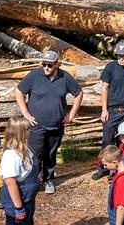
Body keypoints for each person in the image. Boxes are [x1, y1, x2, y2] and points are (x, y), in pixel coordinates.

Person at [14, 51, 83, 194]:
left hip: (56, 124)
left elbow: (78, 93)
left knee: (51, 154)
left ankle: (48, 179)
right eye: (44, 64)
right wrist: (25, 113)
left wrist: (71, 113)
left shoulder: (65, 77)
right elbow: (19, 91)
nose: (46, 67)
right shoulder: (34, 76)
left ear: (57, 64)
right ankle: (32, 181)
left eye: (49, 65)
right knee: (34, 155)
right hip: (36, 124)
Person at [0, 116, 43, 225]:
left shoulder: (25, 149)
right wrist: (18, 208)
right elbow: (10, 183)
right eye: (27, 130)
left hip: (28, 199)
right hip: (17, 202)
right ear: (19, 133)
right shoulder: (11, 156)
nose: (30, 132)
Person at [92, 41, 124, 180]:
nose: (121, 58)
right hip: (112, 110)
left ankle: (121, 169)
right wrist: (104, 109)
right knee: (108, 140)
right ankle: (104, 168)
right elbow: (104, 88)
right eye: (119, 56)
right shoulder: (110, 67)